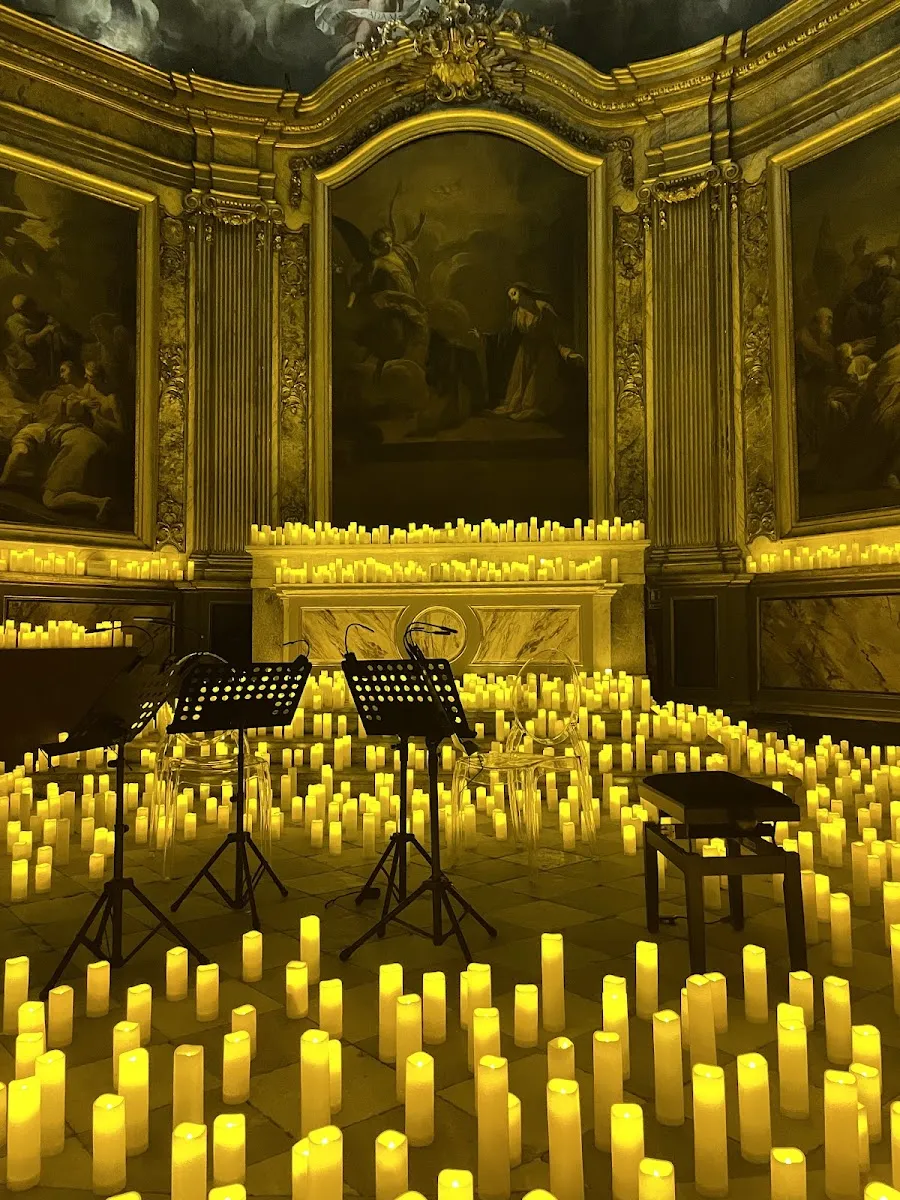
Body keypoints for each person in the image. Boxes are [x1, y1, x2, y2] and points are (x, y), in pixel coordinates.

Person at [477, 284, 583, 422]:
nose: (512, 298)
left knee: (536, 391)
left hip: (544, 353)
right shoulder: (517, 313)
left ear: (523, 292)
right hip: (525, 353)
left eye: (514, 293)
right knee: (520, 388)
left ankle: (536, 409)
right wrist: (484, 336)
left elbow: (558, 333)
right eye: (510, 296)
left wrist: (568, 353)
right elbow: (504, 335)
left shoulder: (543, 308)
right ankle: (522, 408)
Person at [0, 360, 83, 488]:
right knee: (21, 450)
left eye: (64, 371)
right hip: (41, 427)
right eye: (60, 371)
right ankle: (4, 482)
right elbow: (46, 404)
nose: (61, 375)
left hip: (55, 430)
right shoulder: (59, 391)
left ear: (75, 370)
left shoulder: (84, 391)